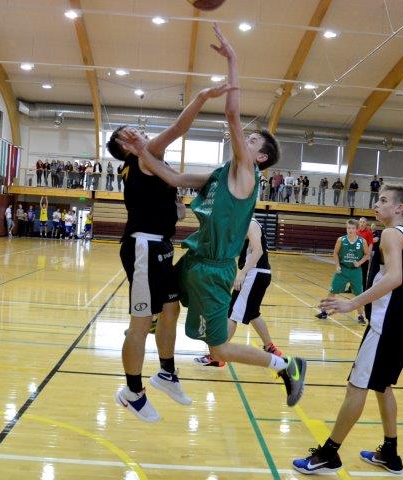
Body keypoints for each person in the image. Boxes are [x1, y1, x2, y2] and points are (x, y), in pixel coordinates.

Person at [116, 23, 306, 410]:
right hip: (193, 261)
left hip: (215, 270)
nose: (244, 139)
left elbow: (233, 113)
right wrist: (141, 152)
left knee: (216, 347)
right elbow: (172, 177)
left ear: (260, 157)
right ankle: (158, 353)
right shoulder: (219, 174)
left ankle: (285, 365)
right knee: (165, 307)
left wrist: (233, 62)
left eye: (252, 141)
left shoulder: (246, 173)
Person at [106, 75, 236, 423]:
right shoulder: (143, 157)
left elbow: (172, 201)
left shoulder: (151, 165)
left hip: (159, 245)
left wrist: (173, 206)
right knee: (141, 321)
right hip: (143, 246)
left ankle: (166, 373)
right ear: (125, 146)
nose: (139, 133)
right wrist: (203, 96)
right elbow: (179, 127)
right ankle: (132, 391)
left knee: (171, 309)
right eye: (130, 133)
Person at [293, 185, 403, 476]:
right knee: (382, 386)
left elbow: (395, 278)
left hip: (387, 323)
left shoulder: (391, 234)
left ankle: (329, 455)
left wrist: (352, 303)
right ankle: (390, 453)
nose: (377, 204)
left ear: (399, 208)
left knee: (356, 386)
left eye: (384, 200)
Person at [195, 218, 282, 367]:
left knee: (232, 313)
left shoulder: (250, 223)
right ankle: (270, 348)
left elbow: (258, 251)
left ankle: (218, 355)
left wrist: (242, 274)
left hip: (254, 274)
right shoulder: (243, 224)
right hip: (259, 274)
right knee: (253, 313)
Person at [315, 219, 369, 324]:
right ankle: (324, 312)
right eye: (348, 228)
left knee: (359, 294)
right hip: (343, 269)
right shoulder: (341, 240)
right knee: (332, 291)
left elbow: (367, 254)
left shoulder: (362, 241)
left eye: (353, 228)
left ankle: (361, 316)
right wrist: (337, 265)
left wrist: (359, 263)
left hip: (355, 271)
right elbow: (335, 253)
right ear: (346, 228)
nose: (350, 230)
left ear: (357, 229)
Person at [357, 217, 374, 292]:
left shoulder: (369, 232)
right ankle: (351, 288)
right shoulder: (356, 231)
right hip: (356, 256)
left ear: (366, 223)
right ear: (359, 223)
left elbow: (370, 244)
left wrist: (368, 255)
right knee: (353, 273)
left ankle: (363, 290)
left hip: (364, 256)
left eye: (363, 222)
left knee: (363, 274)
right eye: (361, 222)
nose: (362, 223)